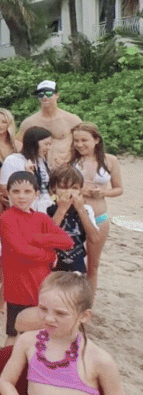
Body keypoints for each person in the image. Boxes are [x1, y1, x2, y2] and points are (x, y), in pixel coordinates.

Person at [0, 272, 130, 395]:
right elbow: (5, 382)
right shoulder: (28, 342)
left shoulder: (98, 359)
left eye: (60, 313)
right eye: (42, 309)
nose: (48, 318)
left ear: (84, 316)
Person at [0, 171, 72, 344]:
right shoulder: (7, 217)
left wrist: (36, 238)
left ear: (37, 194)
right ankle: (5, 369)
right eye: (16, 192)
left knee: (39, 335)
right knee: (14, 333)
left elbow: (67, 241)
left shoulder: (41, 218)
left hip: (41, 288)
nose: (21, 196)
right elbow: (20, 250)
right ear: (8, 193)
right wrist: (49, 254)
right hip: (17, 287)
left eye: (27, 191)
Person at [70, 122, 122, 292]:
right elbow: (57, 188)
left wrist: (104, 193)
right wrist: (78, 189)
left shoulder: (110, 160)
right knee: (69, 265)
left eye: (84, 140)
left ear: (96, 140)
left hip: (99, 217)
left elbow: (118, 189)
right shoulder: (70, 160)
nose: (79, 144)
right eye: (76, 140)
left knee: (93, 265)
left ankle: (87, 307)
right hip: (72, 218)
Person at [46, 166, 99, 276]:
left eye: (74, 188)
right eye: (64, 187)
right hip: (50, 268)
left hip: (77, 267)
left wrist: (80, 209)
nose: (69, 191)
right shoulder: (46, 208)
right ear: (53, 189)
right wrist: (61, 209)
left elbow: (94, 238)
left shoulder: (86, 210)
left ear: (80, 190)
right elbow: (47, 236)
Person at [19, 80, 82, 169]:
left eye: (48, 93)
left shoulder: (72, 119)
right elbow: (18, 144)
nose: (44, 97)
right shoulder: (29, 122)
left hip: (67, 168)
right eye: (40, 94)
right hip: (40, 169)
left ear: (57, 95)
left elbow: (85, 141)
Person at [1, 127, 53, 213]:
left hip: (45, 209)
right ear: (34, 143)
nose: (49, 148)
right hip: (25, 210)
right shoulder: (13, 160)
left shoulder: (42, 160)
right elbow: (5, 187)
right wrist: (28, 175)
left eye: (50, 144)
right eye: (46, 144)